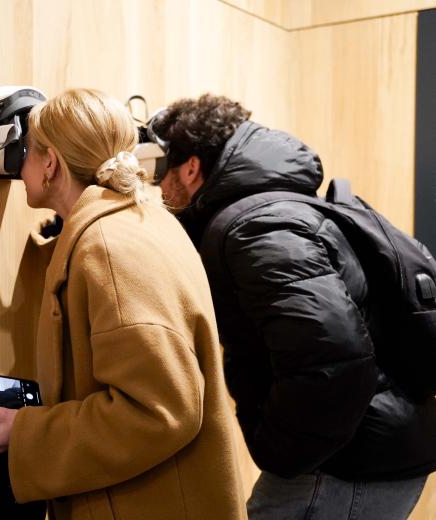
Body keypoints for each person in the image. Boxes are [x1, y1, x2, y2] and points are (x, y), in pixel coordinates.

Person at [150, 93, 436, 519]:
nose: (156, 186)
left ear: (191, 167)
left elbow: (335, 359)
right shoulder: (277, 210)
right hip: (373, 446)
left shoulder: (257, 226)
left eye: (160, 170)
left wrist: (281, 451)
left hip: (343, 464)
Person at [0, 88, 247, 519]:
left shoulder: (107, 248)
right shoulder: (142, 221)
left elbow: (158, 409)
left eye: (26, 151)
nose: (19, 166)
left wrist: (27, 434)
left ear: (50, 163)